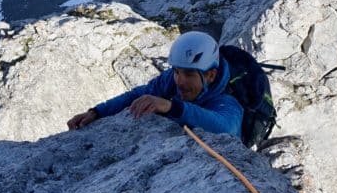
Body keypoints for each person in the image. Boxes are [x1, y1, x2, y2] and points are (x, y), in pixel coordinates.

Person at [66, 31, 242, 137]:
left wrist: (172, 107)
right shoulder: (172, 79)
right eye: (176, 71)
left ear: (211, 75)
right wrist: (97, 112)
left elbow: (226, 128)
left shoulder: (227, 98)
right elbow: (137, 95)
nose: (180, 81)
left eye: (189, 74)